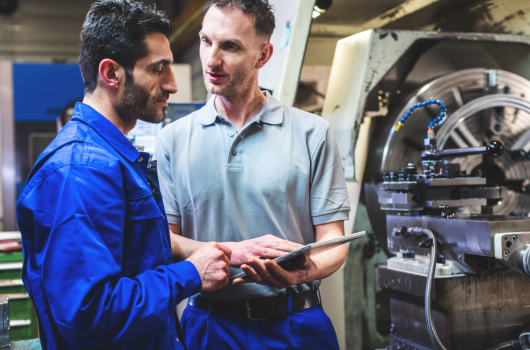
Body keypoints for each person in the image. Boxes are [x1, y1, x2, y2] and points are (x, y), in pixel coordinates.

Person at [16, 1, 232, 349]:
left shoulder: (113, 158)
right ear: (111, 73)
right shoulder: (82, 170)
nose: (173, 84)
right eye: (158, 69)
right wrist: (191, 273)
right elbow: (90, 314)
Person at [154, 0, 351, 348]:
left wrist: (303, 271)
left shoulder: (312, 133)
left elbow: (333, 241)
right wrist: (233, 252)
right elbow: (166, 241)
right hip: (209, 324)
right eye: (205, 41)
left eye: (230, 46)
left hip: (295, 322)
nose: (212, 60)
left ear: (262, 56)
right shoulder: (172, 140)